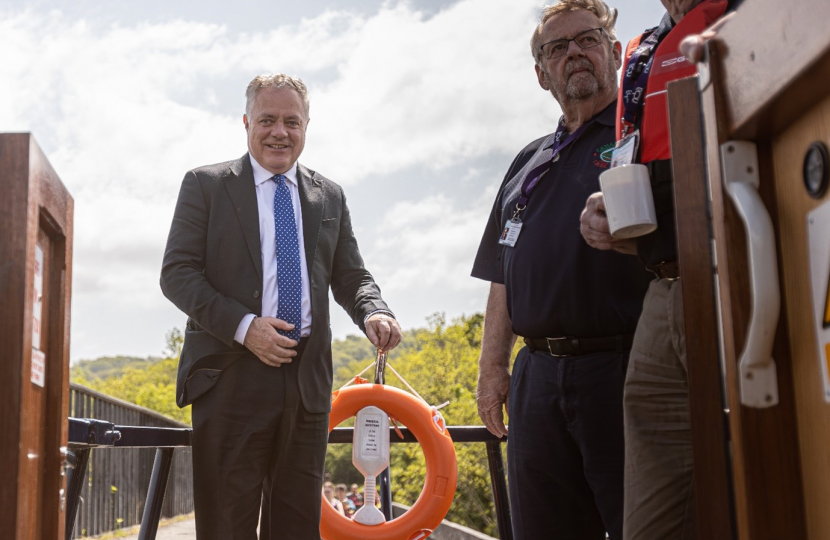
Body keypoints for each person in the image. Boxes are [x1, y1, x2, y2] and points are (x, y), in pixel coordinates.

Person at [160, 73, 402, 540]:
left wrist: (374, 309)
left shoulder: (329, 195)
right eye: (267, 119)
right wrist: (245, 326)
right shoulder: (205, 185)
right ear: (247, 122)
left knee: (295, 530)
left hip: (306, 387)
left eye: (291, 121)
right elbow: (177, 274)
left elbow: (351, 274)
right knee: (226, 528)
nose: (279, 132)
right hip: (229, 381)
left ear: (307, 125)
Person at [471, 1, 652, 538]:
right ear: (541, 73)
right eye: (557, 47)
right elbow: (501, 269)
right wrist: (492, 369)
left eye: (588, 39)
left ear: (615, 52)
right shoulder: (527, 161)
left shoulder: (641, 137)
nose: (574, 51)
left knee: (638, 525)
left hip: (620, 369)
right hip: (537, 380)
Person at [579, 0, 740, 537]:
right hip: (663, 287)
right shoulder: (645, 51)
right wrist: (617, 220)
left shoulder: (756, 13)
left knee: (764, 485)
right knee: (650, 520)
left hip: (740, 279)